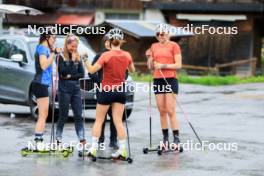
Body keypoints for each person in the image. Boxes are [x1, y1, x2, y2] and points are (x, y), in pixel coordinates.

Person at [83, 28, 135, 158]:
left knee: (99, 121)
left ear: (110, 41)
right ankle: (122, 150)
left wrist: (84, 59)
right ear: (121, 41)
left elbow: (91, 69)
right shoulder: (127, 55)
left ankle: (94, 149)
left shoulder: (105, 55)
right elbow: (132, 71)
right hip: (120, 91)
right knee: (118, 121)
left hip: (106, 90)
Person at [147, 23, 182, 148]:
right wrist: (149, 58)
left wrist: (164, 66)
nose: (161, 36)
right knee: (161, 110)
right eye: (158, 34)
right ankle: (165, 138)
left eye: (163, 33)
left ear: (168, 34)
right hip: (158, 79)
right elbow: (150, 67)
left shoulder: (174, 45)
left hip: (170, 79)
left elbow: (178, 65)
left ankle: (176, 138)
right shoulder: (153, 46)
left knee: (170, 110)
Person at [30, 28, 60, 150]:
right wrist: (53, 53)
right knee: (43, 114)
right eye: (54, 38)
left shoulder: (46, 49)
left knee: (44, 114)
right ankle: (38, 142)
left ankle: (39, 140)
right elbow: (43, 66)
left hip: (42, 84)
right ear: (47, 38)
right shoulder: (42, 48)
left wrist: (54, 53)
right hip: (39, 84)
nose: (55, 40)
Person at [88, 33, 118, 149]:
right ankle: (100, 140)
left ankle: (113, 140)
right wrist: (100, 81)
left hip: (115, 89)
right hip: (102, 89)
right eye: (105, 42)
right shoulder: (99, 55)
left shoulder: (118, 55)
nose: (107, 44)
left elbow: (125, 73)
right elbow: (91, 72)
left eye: (109, 41)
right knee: (102, 117)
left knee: (115, 116)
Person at [55, 33, 85, 146]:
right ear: (67, 45)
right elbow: (62, 72)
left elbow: (81, 73)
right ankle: (58, 135)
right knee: (63, 114)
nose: (74, 49)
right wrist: (72, 62)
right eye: (72, 46)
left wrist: (70, 76)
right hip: (64, 90)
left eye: (76, 47)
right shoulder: (60, 57)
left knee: (78, 114)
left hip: (76, 89)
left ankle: (81, 137)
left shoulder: (78, 57)